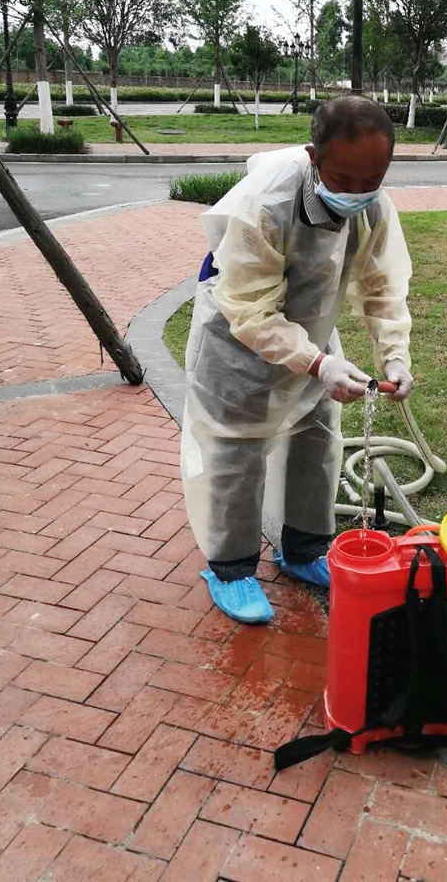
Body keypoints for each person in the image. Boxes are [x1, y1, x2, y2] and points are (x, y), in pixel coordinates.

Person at [181, 96, 414, 625]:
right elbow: (250, 308)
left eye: (371, 179)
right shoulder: (265, 203)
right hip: (237, 338)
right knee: (236, 449)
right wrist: (318, 363)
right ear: (314, 157)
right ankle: (231, 568)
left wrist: (394, 356)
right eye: (343, 179)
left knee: (318, 434)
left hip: (312, 330)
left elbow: (382, 285)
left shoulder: (372, 202)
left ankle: (305, 550)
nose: (356, 192)